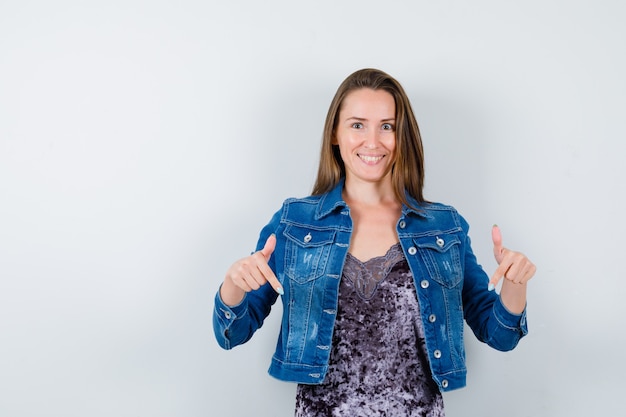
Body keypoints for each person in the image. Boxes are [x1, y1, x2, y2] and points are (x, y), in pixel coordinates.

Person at [213, 68, 536, 416]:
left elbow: (500, 335)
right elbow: (231, 333)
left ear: (402, 136)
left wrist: (515, 285)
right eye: (357, 125)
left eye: (387, 126)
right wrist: (233, 284)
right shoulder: (294, 222)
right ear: (335, 134)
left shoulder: (444, 227)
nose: (373, 141)